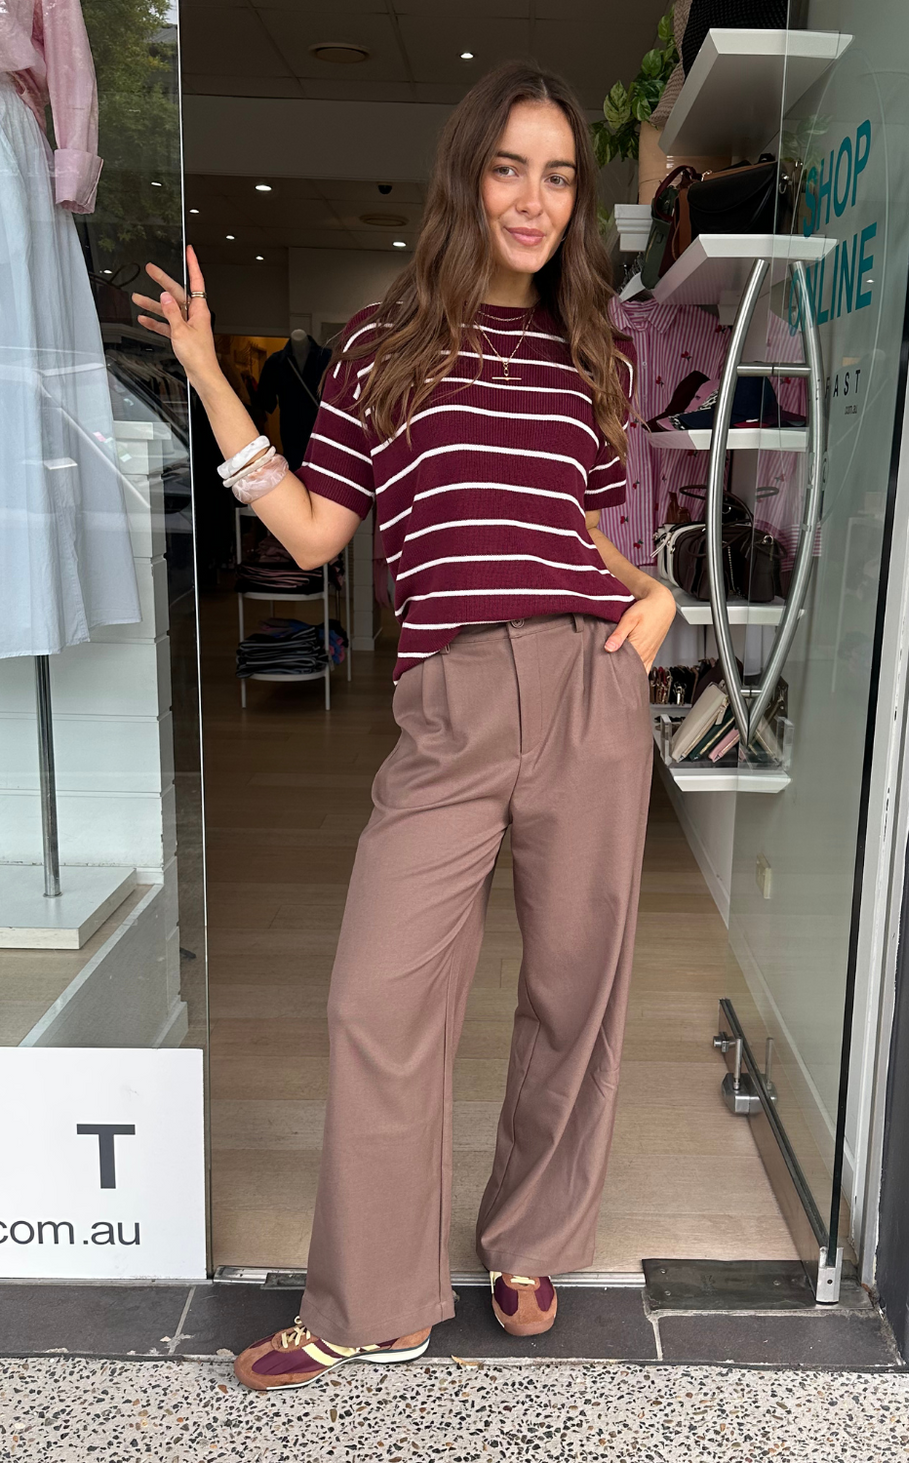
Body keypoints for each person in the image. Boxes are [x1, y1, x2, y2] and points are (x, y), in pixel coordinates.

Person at [134, 61, 677, 1393]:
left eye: (558, 173)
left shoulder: (595, 348)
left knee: (573, 989)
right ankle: (373, 1298)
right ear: (466, 179)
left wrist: (662, 596)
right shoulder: (382, 347)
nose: (534, 198)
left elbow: (593, 534)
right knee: (375, 998)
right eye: (509, 167)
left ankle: (530, 1236)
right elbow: (318, 532)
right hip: (446, 704)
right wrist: (211, 379)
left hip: (586, 683)